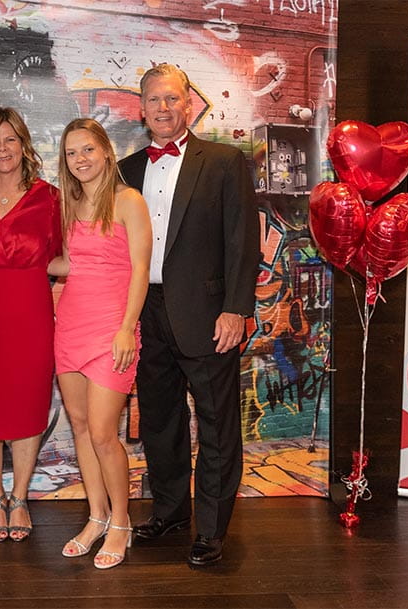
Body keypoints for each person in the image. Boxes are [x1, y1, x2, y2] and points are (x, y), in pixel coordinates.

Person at [118, 63, 260, 567]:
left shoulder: (223, 161)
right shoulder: (127, 169)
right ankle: (172, 512)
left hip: (206, 312)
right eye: (154, 99)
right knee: (159, 420)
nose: (163, 107)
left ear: (188, 104)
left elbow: (243, 242)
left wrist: (236, 309)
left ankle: (212, 528)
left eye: (172, 99)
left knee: (218, 424)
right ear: (141, 108)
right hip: (145, 311)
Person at [49, 118, 152, 569]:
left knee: (105, 433)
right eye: (72, 153)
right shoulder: (69, 203)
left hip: (114, 328)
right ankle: (96, 516)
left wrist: (128, 327)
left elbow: (141, 270)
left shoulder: (129, 200)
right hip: (70, 323)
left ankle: (121, 523)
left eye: (88, 149)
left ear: (106, 152)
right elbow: (68, 264)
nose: (81, 159)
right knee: (79, 426)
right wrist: (10, 262)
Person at [0, 107, 62, 542]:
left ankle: (19, 497)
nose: (2, 149)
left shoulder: (51, 197)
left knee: (26, 403)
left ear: (23, 144)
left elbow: (60, 258)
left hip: (30, 312)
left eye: (10, 139)